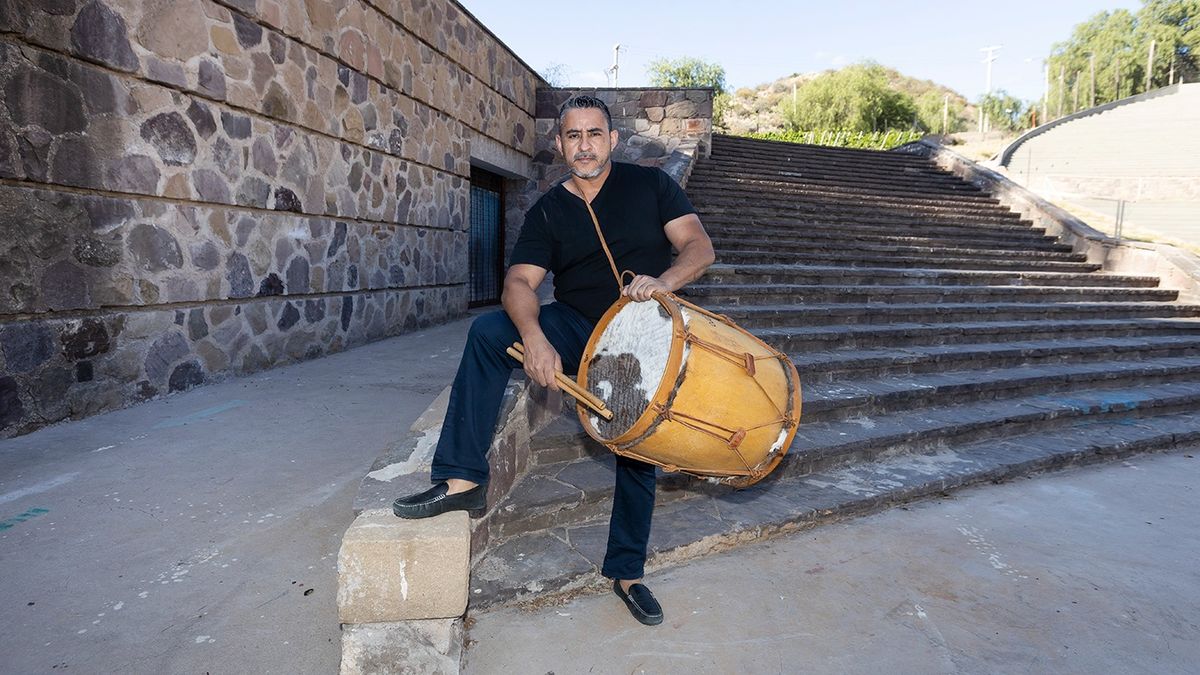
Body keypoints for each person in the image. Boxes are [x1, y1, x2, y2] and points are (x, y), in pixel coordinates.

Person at [392, 94, 714, 626]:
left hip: (645, 331)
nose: (584, 145)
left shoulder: (652, 185)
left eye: (594, 134)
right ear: (560, 143)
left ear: (612, 140)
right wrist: (535, 335)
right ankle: (462, 480)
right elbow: (520, 281)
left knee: (636, 443)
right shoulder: (548, 209)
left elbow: (698, 247)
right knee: (490, 332)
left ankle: (628, 573)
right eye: (573, 136)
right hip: (577, 323)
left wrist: (664, 282)